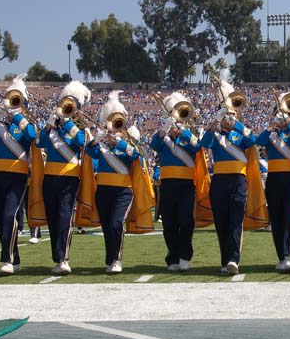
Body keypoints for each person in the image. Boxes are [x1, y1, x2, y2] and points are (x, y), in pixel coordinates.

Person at [0, 77, 37, 274]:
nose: (13, 106)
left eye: (17, 103)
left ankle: (7, 260)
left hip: (18, 176)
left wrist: (17, 117)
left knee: (10, 216)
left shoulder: (27, 123)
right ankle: (14, 257)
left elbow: (33, 137)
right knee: (0, 220)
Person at [200, 76, 255, 275]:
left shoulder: (240, 132)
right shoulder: (214, 135)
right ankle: (225, 260)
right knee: (221, 221)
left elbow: (253, 140)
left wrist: (237, 124)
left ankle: (234, 259)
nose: (227, 119)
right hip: (219, 181)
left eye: (231, 115)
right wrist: (215, 121)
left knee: (235, 220)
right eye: (226, 116)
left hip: (238, 180)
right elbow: (203, 144)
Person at [38, 80, 91, 275]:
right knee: (52, 219)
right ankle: (57, 257)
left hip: (69, 177)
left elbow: (80, 142)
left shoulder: (79, 127)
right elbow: (39, 143)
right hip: (50, 176)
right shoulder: (52, 127)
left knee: (64, 216)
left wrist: (68, 123)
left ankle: (64, 258)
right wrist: (50, 124)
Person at [86, 91, 140, 274]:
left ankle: (117, 259)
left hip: (123, 191)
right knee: (107, 226)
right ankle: (110, 259)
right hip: (102, 190)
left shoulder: (128, 140)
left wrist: (120, 143)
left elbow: (137, 155)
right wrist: (97, 139)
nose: (115, 126)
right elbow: (89, 152)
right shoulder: (102, 144)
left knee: (116, 223)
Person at [150, 92, 201, 272]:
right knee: (169, 223)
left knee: (186, 222)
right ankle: (172, 256)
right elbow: (153, 146)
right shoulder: (162, 136)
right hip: (168, 184)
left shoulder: (190, 132)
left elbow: (198, 146)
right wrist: (163, 132)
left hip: (187, 184)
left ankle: (185, 255)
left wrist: (183, 132)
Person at [255, 98, 290, 273]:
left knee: (289, 217)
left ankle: (288, 255)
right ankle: (281, 256)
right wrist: (271, 125)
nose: (281, 116)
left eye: (284, 114)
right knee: (276, 218)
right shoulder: (271, 134)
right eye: (278, 113)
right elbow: (258, 141)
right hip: (274, 179)